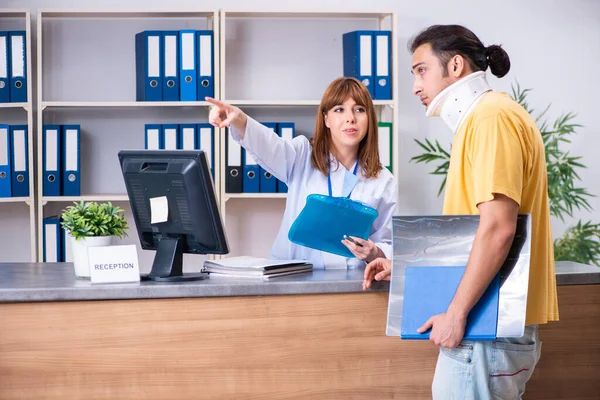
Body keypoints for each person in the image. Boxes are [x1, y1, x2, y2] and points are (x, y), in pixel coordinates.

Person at [363, 25, 559, 399]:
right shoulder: (485, 119)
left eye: (421, 70)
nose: (415, 86)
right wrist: (406, 266)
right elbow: (470, 233)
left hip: (485, 331)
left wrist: (455, 313)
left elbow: (499, 230)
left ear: (455, 66)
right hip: (487, 329)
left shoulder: (490, 119)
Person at [206, 77, 397, 269]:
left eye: (360, 110)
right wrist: (240, 119)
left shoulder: (383, 180)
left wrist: (374, 252)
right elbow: (270, 147)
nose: (350, 118)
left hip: (351, 283)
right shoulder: (302, 155)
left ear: (369, 119)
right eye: (339, 109)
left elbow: (387, 243)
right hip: (294, 278)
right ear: (326, 119)